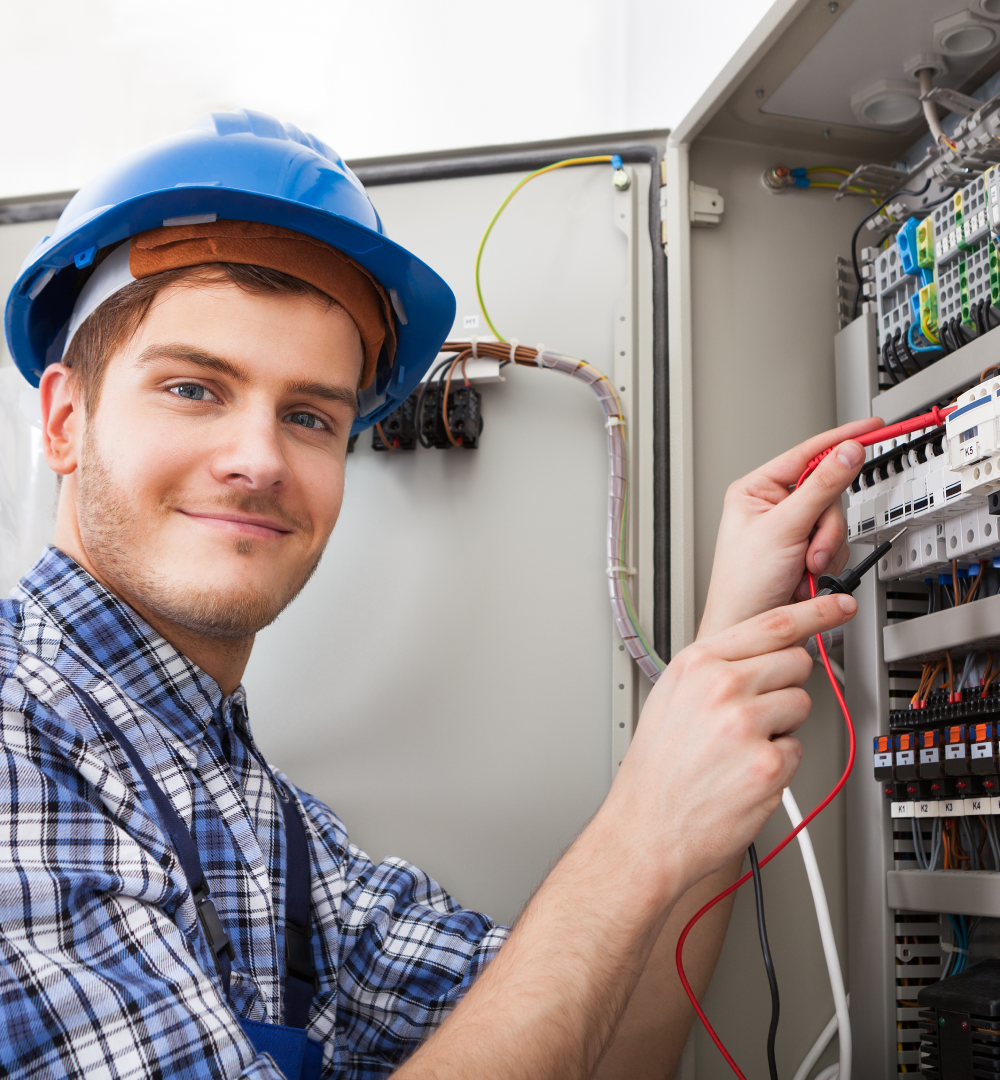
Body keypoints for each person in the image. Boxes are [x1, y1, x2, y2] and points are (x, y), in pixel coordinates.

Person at [0, 110, 877, 1080]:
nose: (257, 460)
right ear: (66, 420)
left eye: (307, 415)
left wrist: (720, 685)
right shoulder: (15, 732)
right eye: (194, 390)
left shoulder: (277, 831)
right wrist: (638, 829)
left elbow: (591, 1046)